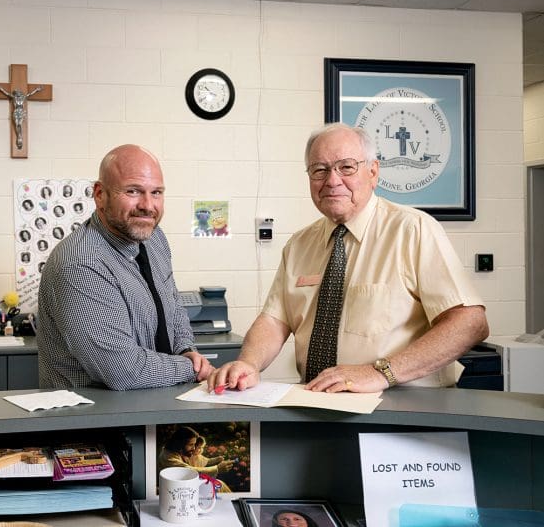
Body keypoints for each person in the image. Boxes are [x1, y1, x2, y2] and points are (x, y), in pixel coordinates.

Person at [209, 124, 488, 394]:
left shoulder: (413, 230)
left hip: (403, 409)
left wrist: (380, 373)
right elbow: (274, 321)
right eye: (319, 170)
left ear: (373, 172)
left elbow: (469, 322)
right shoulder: (299, 245)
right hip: (319, 404)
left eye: (346, 167)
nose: (332, 181)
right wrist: (248, 363)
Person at [37, 144, 213, 390]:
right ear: (100, 194)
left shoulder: (154, 238)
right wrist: (190, 368)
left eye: (157, 192)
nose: (148, 205)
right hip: (96, 421)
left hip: (153, 407)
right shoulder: (80, 264)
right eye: (133, 191)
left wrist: (186, 349)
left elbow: (173, 310)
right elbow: (122, 370)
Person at [159, 428, 232, 492]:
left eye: (194, 445)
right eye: (191, 445)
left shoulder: (178, 452)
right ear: (180, 443)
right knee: (218, 486)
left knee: (219, 484)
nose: (194, 448)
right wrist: (217, 469)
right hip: (178, 491)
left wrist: (216, 461)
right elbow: (189, 471)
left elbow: (201, 461)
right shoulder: (168, 457)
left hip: (184, 488)